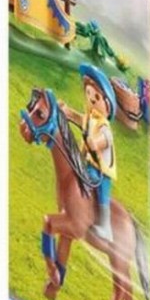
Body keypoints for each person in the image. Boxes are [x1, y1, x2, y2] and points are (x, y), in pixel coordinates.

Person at [63, 64, 118, 241]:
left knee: (100, 190)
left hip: (102, 170)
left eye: (96, 97)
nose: (92, 100)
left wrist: (94, 143)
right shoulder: (89, 119)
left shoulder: (104, 126)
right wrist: (66, 112)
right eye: (88, 95)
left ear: (107, 105)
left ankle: (105, 227)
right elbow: (78, 118)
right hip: (87, 161)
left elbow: (103, 140)